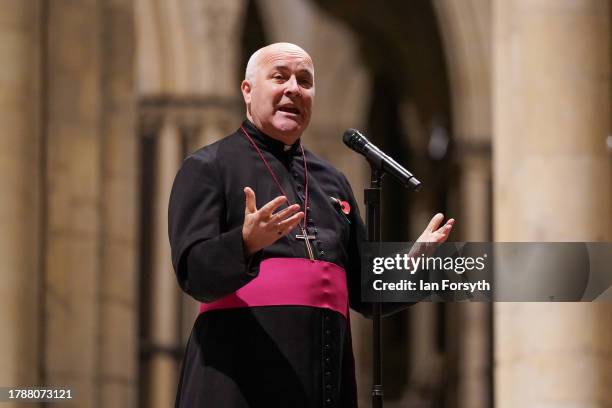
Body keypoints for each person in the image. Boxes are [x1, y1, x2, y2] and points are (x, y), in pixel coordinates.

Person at [168, 42, 454, 408]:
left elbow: (363, 289)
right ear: (247, 90)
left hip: (322, 386)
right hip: (236, 383)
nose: (293, 89)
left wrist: (410, 265)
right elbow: (193, 273)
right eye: (279, 77)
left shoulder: (332, 181)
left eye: (304, 81)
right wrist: (243, 243)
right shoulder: (208, 167)